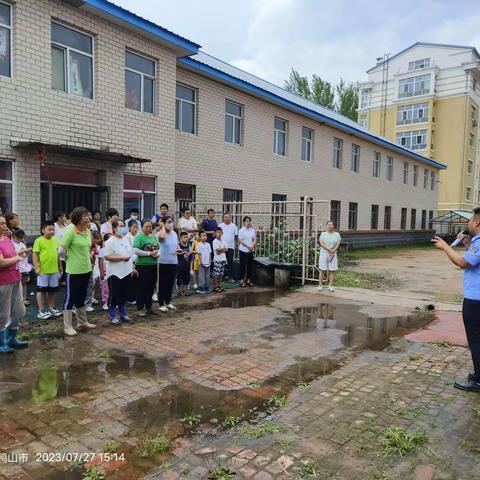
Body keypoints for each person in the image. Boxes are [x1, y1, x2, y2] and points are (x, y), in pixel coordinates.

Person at [432, 207, 480, 392]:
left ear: (476, 222)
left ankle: (478, 379)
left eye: (470, 220)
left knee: (476, 340)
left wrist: (445, 246)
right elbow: (472, 261)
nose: (468, 223)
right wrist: (468, 246)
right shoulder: (476, 242)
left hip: (475, 300)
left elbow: (462, 263)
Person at [61, 207, 97, 336]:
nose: (87, 218)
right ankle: (67, 326)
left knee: (82, 296)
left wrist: (90, 256)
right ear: (77, 218)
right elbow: (61, 250)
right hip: (74, 270)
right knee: (71, 297)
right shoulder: (70, 232)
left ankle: (82, 322)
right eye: (84, 216)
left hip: (86, 268)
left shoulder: (88, 232)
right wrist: (68, 259)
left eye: (87, 215)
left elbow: (90, 247)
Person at [0, 215, 28, 353]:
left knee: (18, 310)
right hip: (3, 281)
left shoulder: (6, 239)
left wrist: (21, 252)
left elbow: (10, 254)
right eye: (1, 224)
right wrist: (17, 258)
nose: (4, 226)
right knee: (3, 313)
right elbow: (2, 262)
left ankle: (12, 339)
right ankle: (2, 343)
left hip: (15, 277)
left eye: (4, 223)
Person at [103, 220, 135, 325]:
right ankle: (113, 316)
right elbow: (107, 256)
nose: (123, 228)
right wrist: (121, 258)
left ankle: (123, 314)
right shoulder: (110, 241)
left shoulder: (126, 240)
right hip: (114, 273)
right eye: (121, 226)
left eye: (124, 226)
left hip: (126, 272)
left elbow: (130, 253)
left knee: (123, 294)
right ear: (115, 228)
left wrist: (132, 267)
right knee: (114, 295)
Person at [32, 220, 63, 320]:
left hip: (54, 270)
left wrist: (60, 266)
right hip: (43, 271)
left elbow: (57, 255)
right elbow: (35, 254)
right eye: (49, 229)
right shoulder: (38, 240)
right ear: (43, 230)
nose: (52, 231)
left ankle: (51, 308)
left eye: (53, 229)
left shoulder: (55, 240)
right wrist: (37, 267)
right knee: (41, 290)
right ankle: (41, 310)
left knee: (52, 290)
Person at [132, 219, 159, 316]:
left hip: (152, 265)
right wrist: (149, 253)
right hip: (142, 266)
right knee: (141, 288)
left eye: (150, 226)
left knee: (151, 287)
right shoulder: (139, 237)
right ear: (142, 227)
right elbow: (135, 250)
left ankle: (149, 307)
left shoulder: (153, 237)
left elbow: (157, 248)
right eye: (146, 226)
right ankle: (140, 308)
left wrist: (156, 254)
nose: (149, 228)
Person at [157, 216, 179, 312]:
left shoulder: (174, 233)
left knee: (170, 283)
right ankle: (161, 303)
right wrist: (162, 226)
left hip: (173, 261)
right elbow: (161, 238)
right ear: (164, 223)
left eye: (172, 222)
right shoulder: (161, 233)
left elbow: (176, 245)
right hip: (163, 262)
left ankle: (168, 302)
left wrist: (178, 250)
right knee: (163, 283)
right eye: (169, 222)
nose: (171, 224)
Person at [318, 221, 341, 292]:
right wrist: (329, 249)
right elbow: (321, 243)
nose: (329, 226)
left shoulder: (337, 234)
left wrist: (333, 250)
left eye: (331, 225)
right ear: (326, 226)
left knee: (332, 270)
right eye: (328, 225)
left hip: (333, 254)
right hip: (324, 253)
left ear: (333, 226)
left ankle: (330, 286)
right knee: (322, 269)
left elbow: (338, 243)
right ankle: (320, 285)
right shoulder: (323, 234)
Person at [11, 229, 32, 306]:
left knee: (24, 284)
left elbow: (24, 256)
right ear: (13, 236)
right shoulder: (11, 244)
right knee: (15, 285)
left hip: (24, 267)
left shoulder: (22, 244)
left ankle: (24, 298)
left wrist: (27, 253)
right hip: (15, 267)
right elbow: (13, 254)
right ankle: (16, 300)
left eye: (22, 237)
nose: (21, 239)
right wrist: (24, 251)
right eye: (19, 237)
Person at [218, 213, 238, 281]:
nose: (227, 218)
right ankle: (222, 276)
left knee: (230, 262)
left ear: (230, 218)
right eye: (225, 217)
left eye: (228, 217)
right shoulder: (220, 225)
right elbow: (218, 235)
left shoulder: (234, 226)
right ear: (223, 218)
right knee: (222, 262)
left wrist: (232, 243)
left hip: (230, 247)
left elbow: (236, 236)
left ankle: (230, 276)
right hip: (222, 247)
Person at [238, 216, 256, 287]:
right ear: (244, 222)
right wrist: (248, 246)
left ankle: (248, 280)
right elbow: (241, 240)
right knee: (242, 265)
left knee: (250, 266)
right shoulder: (241, 230)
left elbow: (254, 239)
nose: (248, 222)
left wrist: (252, 246)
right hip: (243, 250)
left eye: (249, 221)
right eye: (247, 221)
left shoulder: (252, 230)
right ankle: (241, 280)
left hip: (251, 251)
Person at [212, 227, 227, 293]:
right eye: (218, 232)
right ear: (215, 233)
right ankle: (215, 287)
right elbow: (217, 252)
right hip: (217, 260)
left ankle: (219, 285)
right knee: (216, 274)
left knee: (221, 274)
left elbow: (227, 249)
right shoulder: (215, 241)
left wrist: (221, 249)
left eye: (220, 232)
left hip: (223, 259)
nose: (219, 234)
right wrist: (222, 249)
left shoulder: (223, 240)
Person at [177, 231, 192, 296]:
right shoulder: (178, 244)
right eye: (184, 237)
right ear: (181, 238)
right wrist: (181, 253)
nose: (186, 238)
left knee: (186, 277)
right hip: (179, 264)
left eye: (187, 237)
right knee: (179, 277)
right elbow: (176, 252)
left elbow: (190, 251)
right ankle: (180, 291)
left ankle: (185, 290)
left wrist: (189, 253)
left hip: (187, 264)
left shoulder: (188, 244)